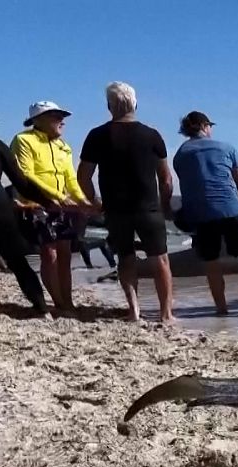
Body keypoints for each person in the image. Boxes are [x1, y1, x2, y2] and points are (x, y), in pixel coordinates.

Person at [77, 83, 175, 322]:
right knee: (160, 259)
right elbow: (166, 178)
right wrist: (165, 205)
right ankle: (166, 314)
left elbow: (83, 176)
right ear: (136, 104)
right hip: (148, 207)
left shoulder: (97, 135)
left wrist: (95, 201)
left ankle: (134, 311)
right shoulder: (152, 135)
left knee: (126, 258)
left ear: (109, 106)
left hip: (116, 208)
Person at [172, 111, 238, 317]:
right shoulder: (227, 148)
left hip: (200, 213)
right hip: (230, 209)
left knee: (211, 262)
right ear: (205, 126)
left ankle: (221, 308)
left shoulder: (181, 154)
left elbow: (190, 184)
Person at [12, 100, 94, 313]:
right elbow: (27, 174)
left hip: (62, 206)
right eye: (56, 116)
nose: (62, 121)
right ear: (38, 120)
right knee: (50, 254)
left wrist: (82, 199)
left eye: (62, 117)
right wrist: (56, 195)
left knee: (66, 254)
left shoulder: (63, 147)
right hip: (36, 204)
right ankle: (58, 303)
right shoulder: (24, 140)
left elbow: (70, 177)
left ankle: (68, 301)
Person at [0, 126, 50, 313]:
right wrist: (47, 200)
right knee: (17, 261)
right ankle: (42, 308)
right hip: (0, 207)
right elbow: (21, 182)